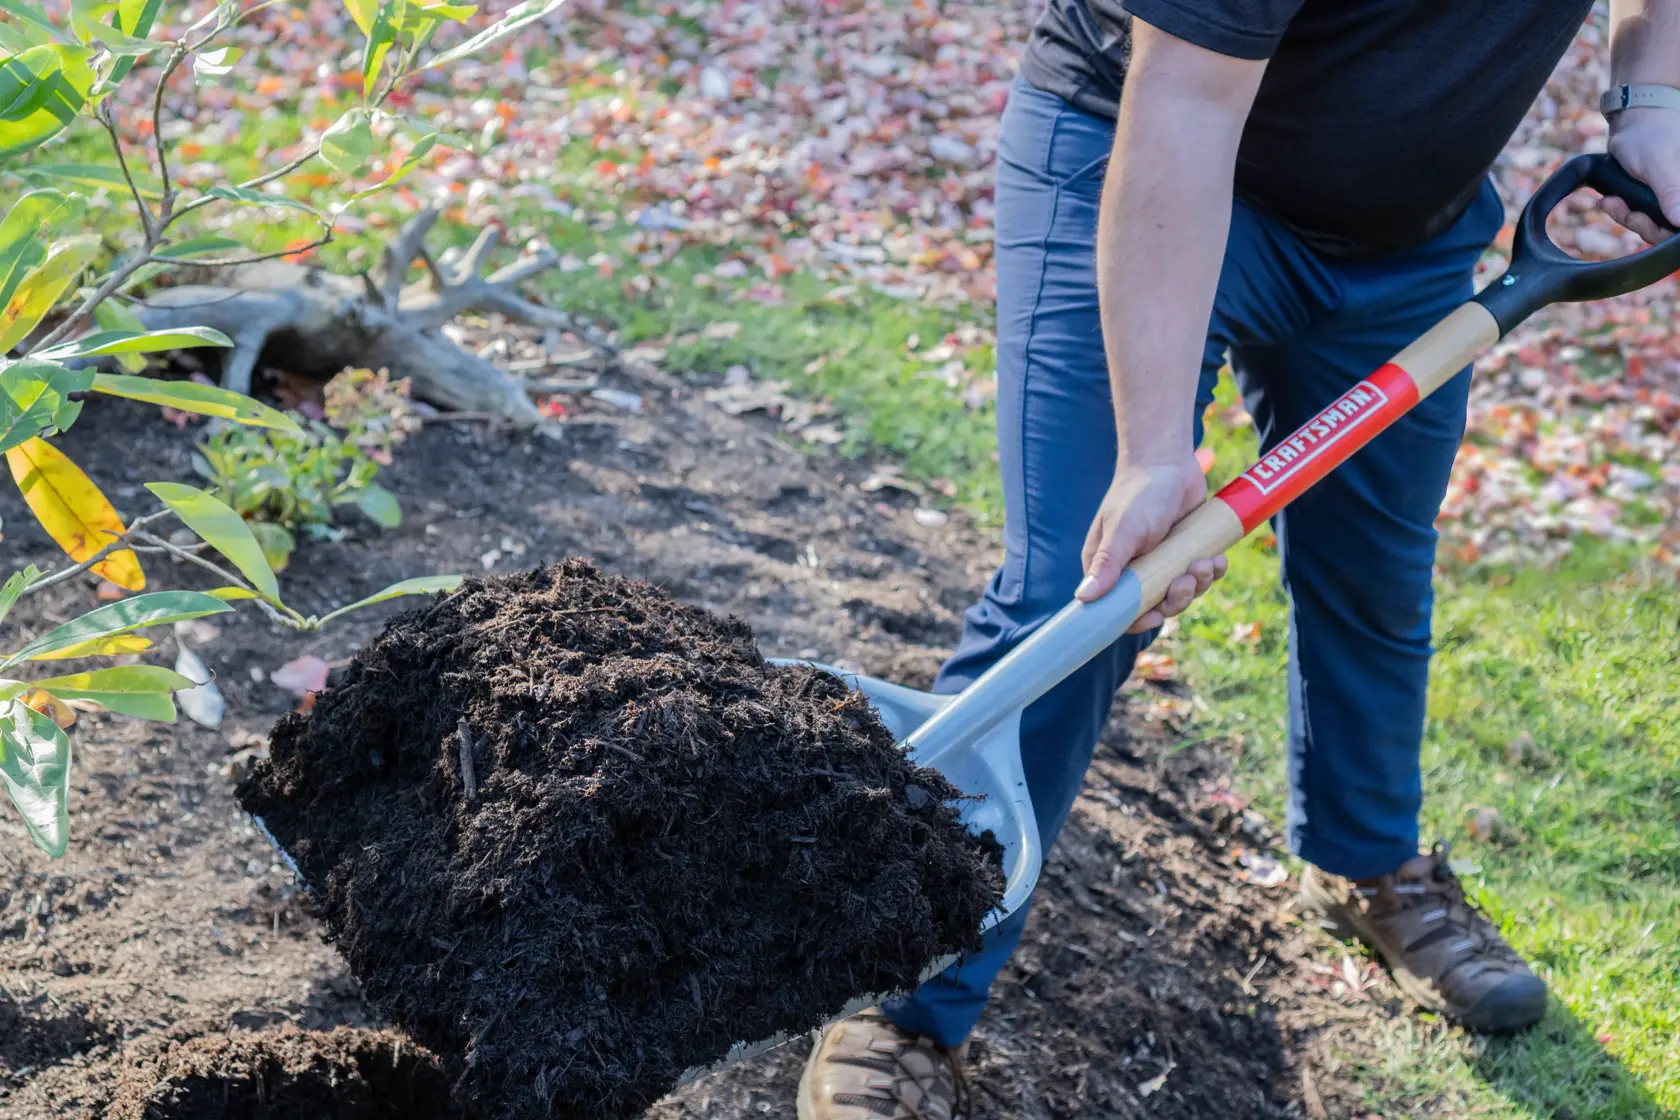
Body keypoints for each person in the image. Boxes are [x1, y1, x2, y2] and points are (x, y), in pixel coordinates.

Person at [797, 2, 1680, 1116]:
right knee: (1082, 597)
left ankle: (1367, 862)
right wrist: (1154, 451)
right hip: (1144, 155)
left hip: (1407, 233)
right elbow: (1183, 102)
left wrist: (1654, 96)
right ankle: (902, 999)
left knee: (1373, 567)